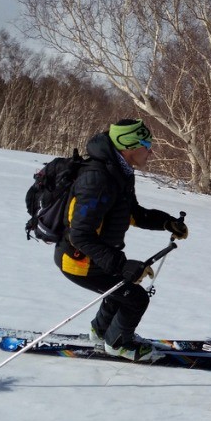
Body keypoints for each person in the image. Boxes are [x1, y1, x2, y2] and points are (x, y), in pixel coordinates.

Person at [54, 119, 189, 361]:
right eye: (147, 145)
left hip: (97, 257)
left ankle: (102, 332)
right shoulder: (97, 180)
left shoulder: (121, 173)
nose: (151, 151)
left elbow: (132, 213)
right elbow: (80, 235)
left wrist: (167, 222)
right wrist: (122, 265)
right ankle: (118, 344)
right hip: (79, 261)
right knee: (135, 299)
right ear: (129, 146)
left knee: (123, 290)